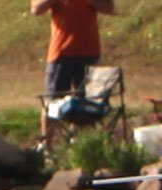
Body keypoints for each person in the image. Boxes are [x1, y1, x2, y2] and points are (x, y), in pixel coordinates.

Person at [32, 0, 115, 152]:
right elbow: (36, 9)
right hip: (60, 52)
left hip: (89, 52)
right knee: (52, 100)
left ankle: (81, 147)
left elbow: (109, 8)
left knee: (88, 103)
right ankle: (47, 148)